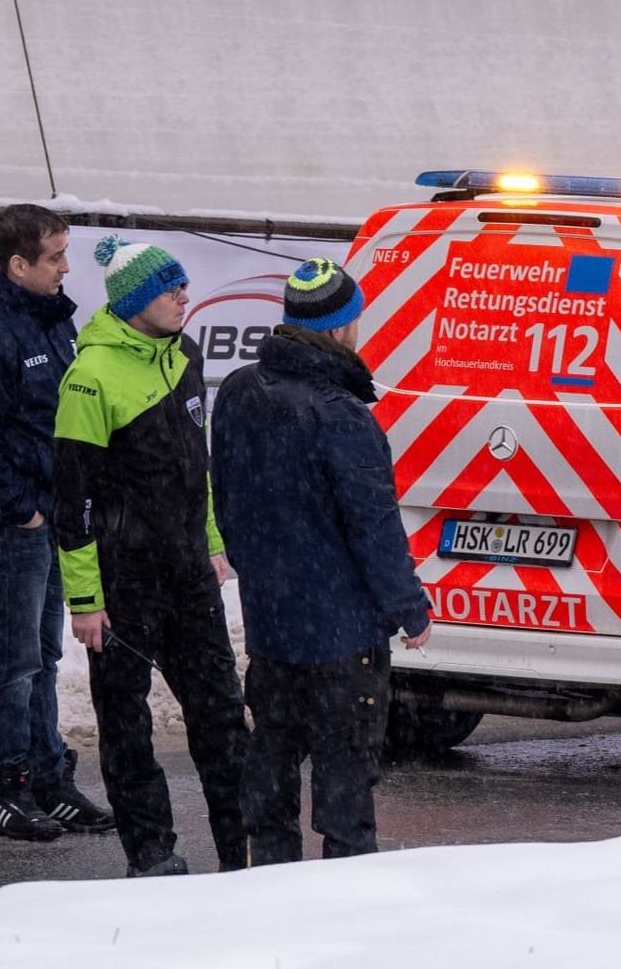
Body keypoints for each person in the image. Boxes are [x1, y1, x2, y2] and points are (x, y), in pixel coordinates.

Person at [211, 258, 432, 864]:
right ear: (340, 328)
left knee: (272, 774)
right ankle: (340, 920)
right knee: (345, 794)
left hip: (274, 627)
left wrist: (263, 576)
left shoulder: (237, 392)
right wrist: (409, 608)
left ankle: (267, 893)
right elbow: (374, 526)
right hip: (342, 638)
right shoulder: (342, 413)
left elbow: (226, 500)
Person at [53, 234, 248, 877]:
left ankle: (243, 853)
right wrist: (86, 600)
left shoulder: (185, 354)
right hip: (122, 584)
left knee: (221, 715)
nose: (185, 297)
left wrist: (213, 542)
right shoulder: (89, 378)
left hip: (188, 573)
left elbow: (201, 465)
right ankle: (152, 854)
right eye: (171, 289)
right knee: (128, 726)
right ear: (135, 299)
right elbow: (73, 500)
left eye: (184, 285)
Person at [0, 205, 114, 841]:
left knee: (46, 655)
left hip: (49, 515)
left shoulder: (53, 319)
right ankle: (6, 788)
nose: (67, 268)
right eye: (55, 257)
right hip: (8, 523)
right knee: (16, 658)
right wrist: (24, 509)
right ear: (18, 264)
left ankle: (48, 777)